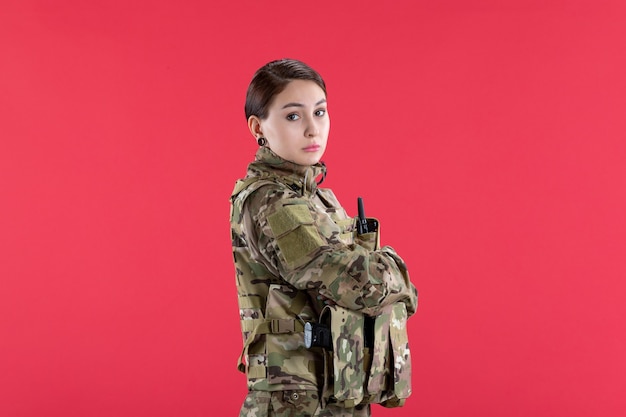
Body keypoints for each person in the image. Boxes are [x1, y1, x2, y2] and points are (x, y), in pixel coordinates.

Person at [230, 58, 418, 417]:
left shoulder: (318, 198)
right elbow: (349, 281)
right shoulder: (269, 200)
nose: (313, 129)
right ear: (259, 127)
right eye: (293, 116)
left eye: (320, 112)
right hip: (295, 401)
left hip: (338, 389)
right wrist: (400, 277)